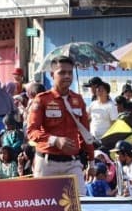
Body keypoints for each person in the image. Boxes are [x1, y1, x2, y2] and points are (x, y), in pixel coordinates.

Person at [26, 55, 92, 189]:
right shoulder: (42, 100)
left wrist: (92, 161)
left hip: (73, 164)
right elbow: (31, 132)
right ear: (52, 75)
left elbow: (86, 134)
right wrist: (55, 140)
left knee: (79, 205)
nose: (67, 76)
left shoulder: (78, 100)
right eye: (62, 72)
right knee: (44, 207)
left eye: (70, 72)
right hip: (46, 163)